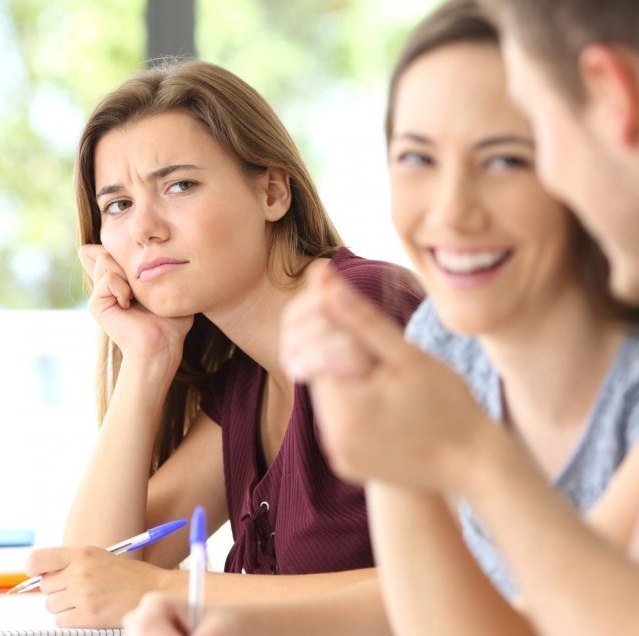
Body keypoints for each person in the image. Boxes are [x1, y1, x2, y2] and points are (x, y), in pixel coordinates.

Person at [170, 0, 639, 634]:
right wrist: (402, 456)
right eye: (416, 157)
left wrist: (466, 453)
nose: (455, 209)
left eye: (521, 146)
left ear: (611, 97)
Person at [23, 59, 423, 629]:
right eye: (118, 205)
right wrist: (146, 358)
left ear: (273, 192)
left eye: (179, 185)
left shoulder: (363, 313)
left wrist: (166, 590)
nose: (144, 229)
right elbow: (94, 577)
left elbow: (464, 584)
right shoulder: (245, 374)